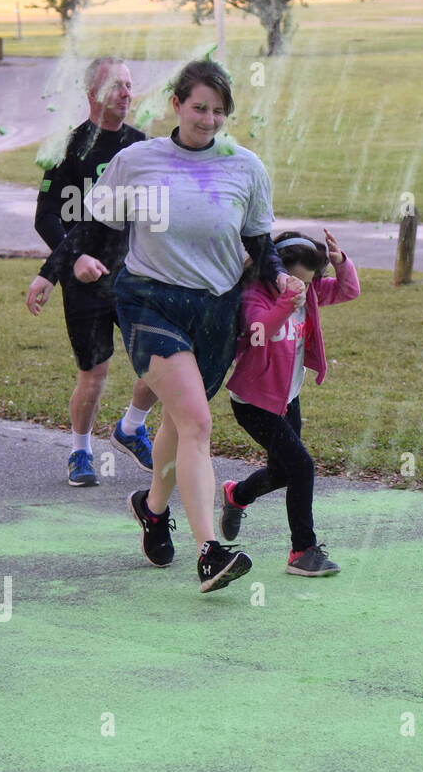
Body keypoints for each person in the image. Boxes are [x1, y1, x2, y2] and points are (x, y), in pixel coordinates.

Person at [71, 59, 303, 593]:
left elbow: (258, 244)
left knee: (179, 423)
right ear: (176, 105)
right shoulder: (139, 161)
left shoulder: (245, 167)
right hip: (150, 303)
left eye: (219, 111)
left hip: (217, 311)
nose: (209, 119)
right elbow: (95, 223)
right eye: (199, 107)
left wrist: (278, 281)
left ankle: (152, 510)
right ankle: (209, 551)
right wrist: (75, 264)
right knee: (197, 421)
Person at [24, 56, 158, 485]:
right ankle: (80, 451)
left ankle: (133, 426)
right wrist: (72, 261)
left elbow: (155, 216)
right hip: (83, 282)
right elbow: (47, 217)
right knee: (93, 375)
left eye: (128, 84)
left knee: (161, 364)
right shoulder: (69, 147)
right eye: (116, 85)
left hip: (134, 278)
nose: (126, 93)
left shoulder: (143, 147)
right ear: (92, 95)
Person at [220, 228, 360, 576]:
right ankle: (303, 551)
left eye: (308, 282)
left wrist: (340, 261)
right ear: (276, 271)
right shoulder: (254, 293)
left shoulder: (308, 291)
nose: (302, 289)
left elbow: (348, 290)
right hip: (254, 402)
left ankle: (238, 494)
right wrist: (285, 303)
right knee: (301, 467)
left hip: (288, 397)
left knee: (284, 471)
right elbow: (256, 332)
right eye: (295, 281)